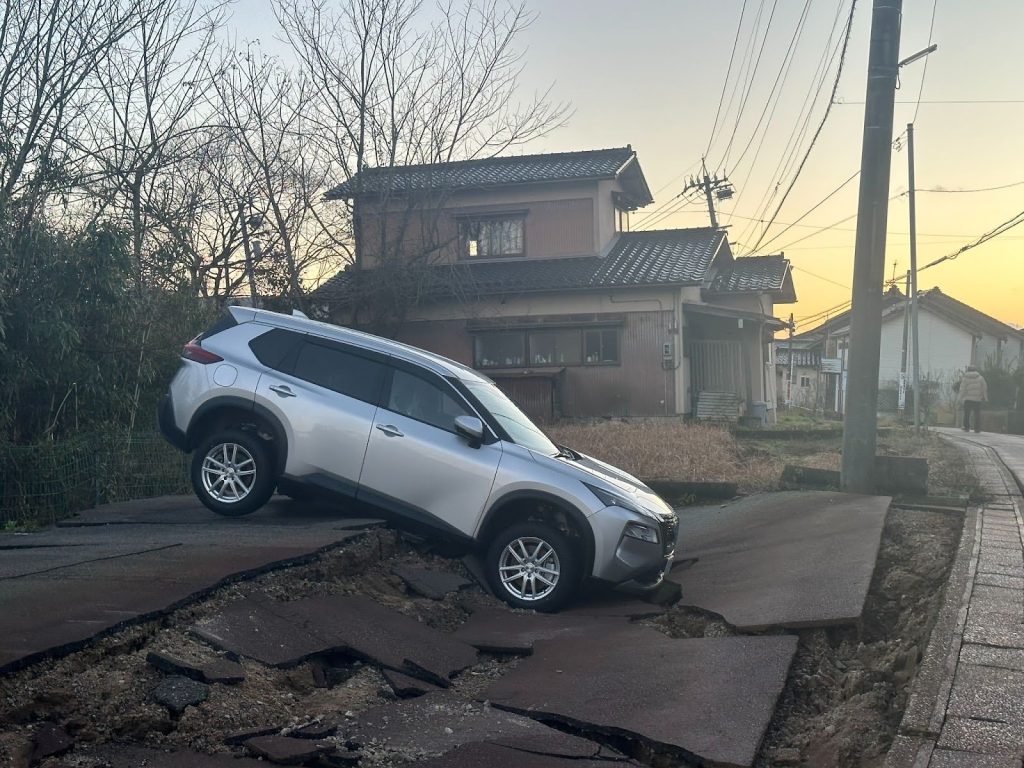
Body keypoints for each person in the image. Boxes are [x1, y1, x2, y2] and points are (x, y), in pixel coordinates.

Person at [958, 365, 988, 433]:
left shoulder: (965, 379)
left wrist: (959, 399)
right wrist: (985, 398)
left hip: (967, 399)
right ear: (976, 370)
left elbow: (962, 389)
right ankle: (977, 429)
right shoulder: (981, 378)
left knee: (967, 414)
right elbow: (984, 388)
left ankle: (966, 427)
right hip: (977, 399)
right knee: (977, 414)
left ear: (968, 370)